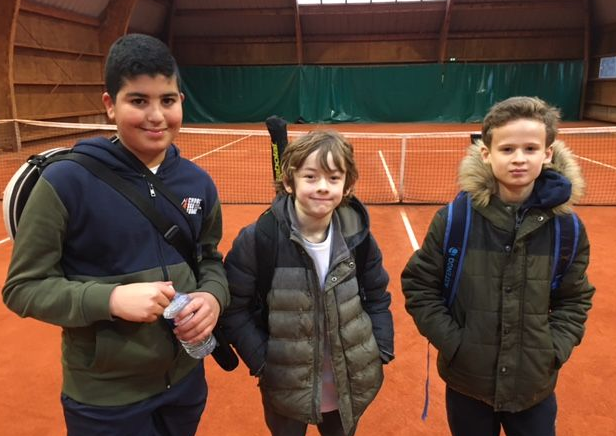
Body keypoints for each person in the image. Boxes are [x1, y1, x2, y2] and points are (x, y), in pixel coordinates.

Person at [2, 33, 228, 436]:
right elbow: (23, 288)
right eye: (138, 101)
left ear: (181, 101)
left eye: (167, 100)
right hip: (105, 399)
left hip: (185, 383)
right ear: (110, 105)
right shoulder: (65, 183)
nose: (156, 115)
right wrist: (110, 299)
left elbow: (209, 258)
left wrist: (213, 296)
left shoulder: (198, 183)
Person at [401, 96, 595, 436]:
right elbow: (420, 286)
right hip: (467, 384)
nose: (519, 158)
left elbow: (574, 299)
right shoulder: (454, 220)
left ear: (548, 153)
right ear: (486, 153)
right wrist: (455, 344)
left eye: (530, 148)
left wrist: (552, 350)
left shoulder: (568, 229)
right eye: (507, 149)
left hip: (533, 387)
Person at [221, 130, 394, 436]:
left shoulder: (360, 238)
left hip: (348, 385)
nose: (323, 187)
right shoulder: (258, 239)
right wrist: (264, 362)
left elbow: (377, 296)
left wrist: (379, 349)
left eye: (334, 178)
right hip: (284, 386)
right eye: (311, 177)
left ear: (347, 185)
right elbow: (234, 308)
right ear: (290, 182)